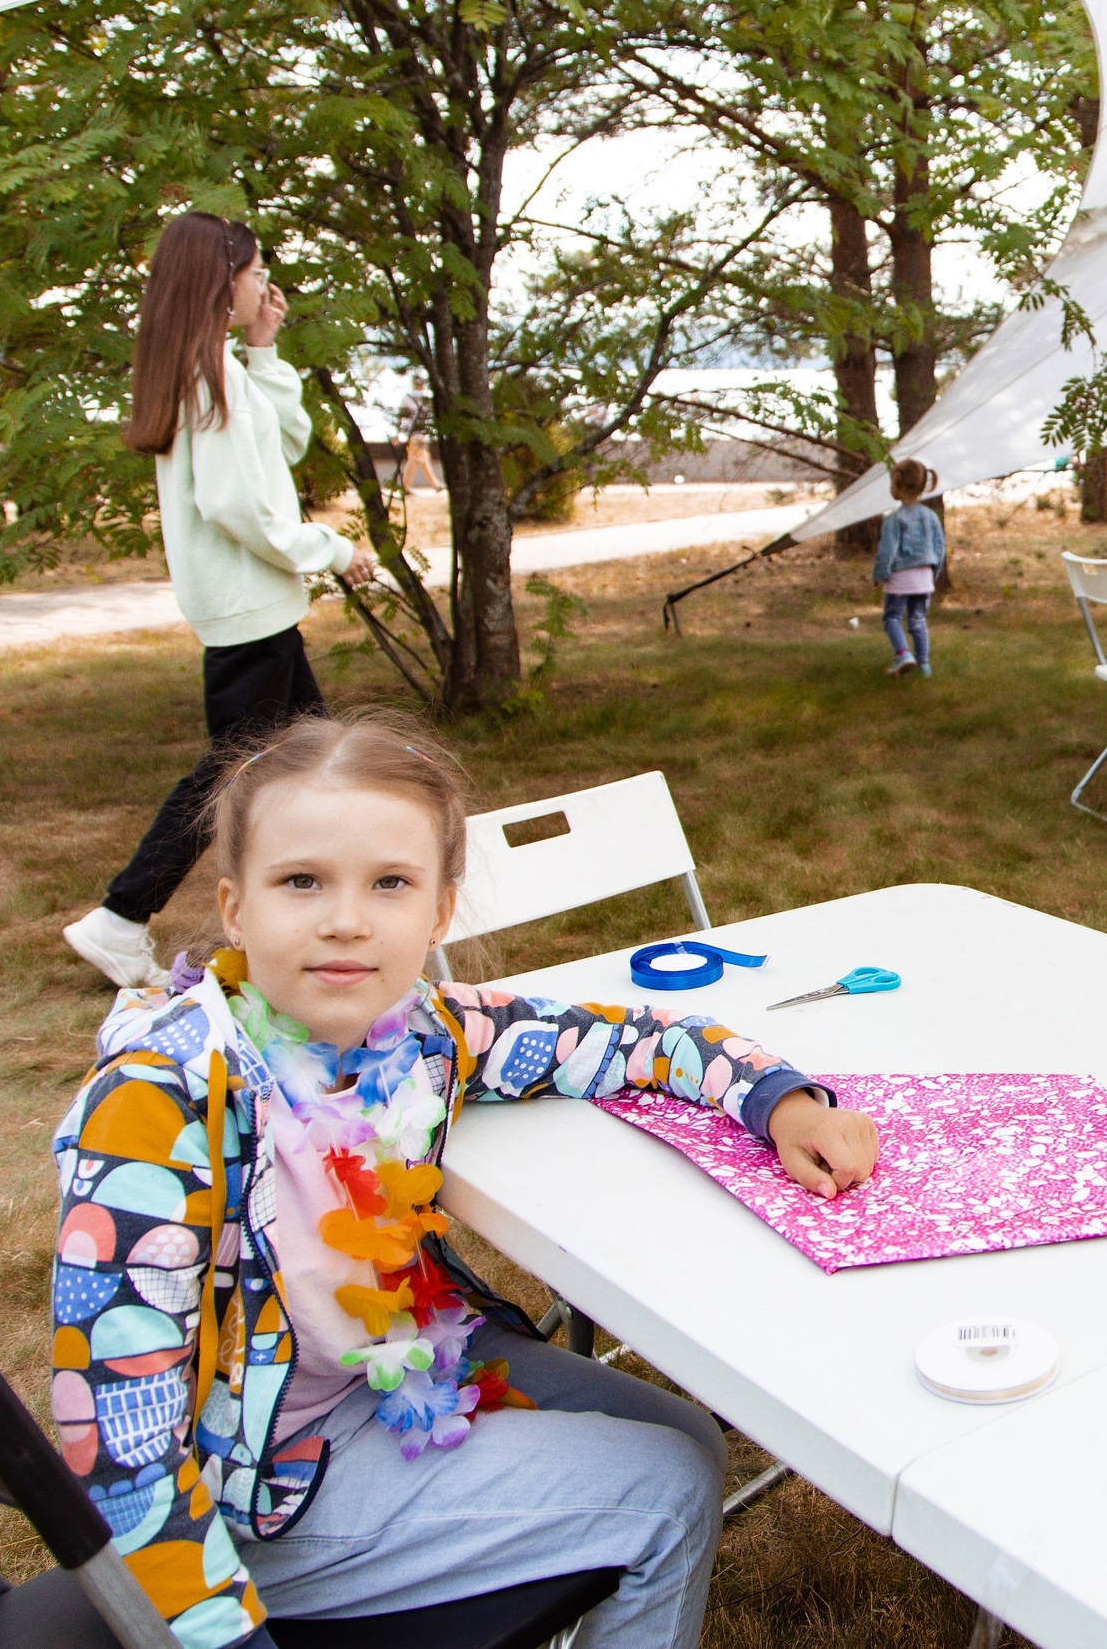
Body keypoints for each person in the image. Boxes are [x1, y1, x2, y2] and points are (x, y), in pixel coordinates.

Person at [51, 711, 880, 1649]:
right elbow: (117, 1445)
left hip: (388, 1374)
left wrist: (781, 1103)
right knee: (669, 1489)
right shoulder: (159, 1104)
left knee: (685, 1434)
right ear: (236, 907)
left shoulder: (420, 1031)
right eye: (301, 881)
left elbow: (629, 1038)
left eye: (390, 882)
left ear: (439, 913)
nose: (346, 919)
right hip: (252, 1492)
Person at [63, 212, 377, 989]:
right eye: (255, 271)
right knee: (234, 775)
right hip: (249, 610)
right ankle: (121, 916)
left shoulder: (217, 369)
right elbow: (242, 508)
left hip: (255, 609)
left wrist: (265, 349)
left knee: (308, 758)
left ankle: (320, 893)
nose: (264, 284)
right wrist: (334, 550)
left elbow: (284, 447)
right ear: (220, 280)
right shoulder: (212, 380)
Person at [873, 458, 945, 676]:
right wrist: (932, 575)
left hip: (901, 577)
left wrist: (879, 574)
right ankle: (924, 665)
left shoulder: (894, 519)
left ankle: (903, 654)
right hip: (924, 577)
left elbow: (887, 551)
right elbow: (940, 549)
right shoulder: (931, 517)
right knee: (918, 620)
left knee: (892, 617)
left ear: (896, 484)